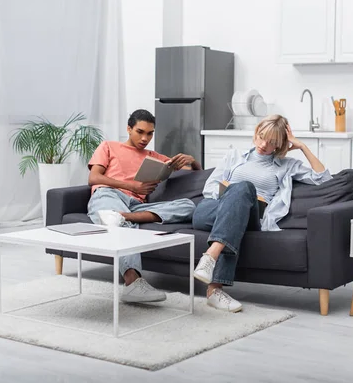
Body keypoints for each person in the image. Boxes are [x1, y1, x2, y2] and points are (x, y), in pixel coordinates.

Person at [192, 114, 332, 312]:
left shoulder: (287, 165)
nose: (263, 144)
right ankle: (214, 288)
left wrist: (302, 146)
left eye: (272, 141)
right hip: (210, 209)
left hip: (251, 217)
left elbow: (323, 179)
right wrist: (231, 199)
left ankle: (210, 261)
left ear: (280, 144)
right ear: (256, 132)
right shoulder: (234, 156)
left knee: (244, 191)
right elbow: (210, 187)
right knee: (238, 196)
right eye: (261, 136)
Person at [87, 109, 201, 303]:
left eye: (150, 133)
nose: (145, 138)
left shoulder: (154, 156)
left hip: (135, 207)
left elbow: (196, 173)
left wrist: (193, 161)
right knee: (120, 224)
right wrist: (132, 186)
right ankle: (133, 283)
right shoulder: (109, 146)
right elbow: (93, 178)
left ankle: (120, 216)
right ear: (129, 129)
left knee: (189, 206)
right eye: (140, 131)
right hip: (109, 194)